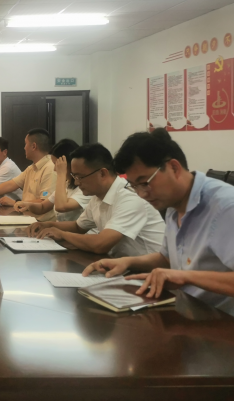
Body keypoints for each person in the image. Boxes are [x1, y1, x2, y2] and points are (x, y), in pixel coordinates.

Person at [82, 129, 234, 312]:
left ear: (174, 168)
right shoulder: (173, 204)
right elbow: (167, 258)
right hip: (187, 309)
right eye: (135, 186)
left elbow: (180, 273)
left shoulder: (225, 208)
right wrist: (127, 262)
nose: (141, 194)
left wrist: (186, 277)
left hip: (222, 320)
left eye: (145, 183)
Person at [28, 143, 165, 257]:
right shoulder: (97, 197)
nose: (77, 182)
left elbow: (100, 244)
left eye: (80, 177)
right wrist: (47, 225)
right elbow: (78, 227)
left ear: (102, 173)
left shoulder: (130, 198)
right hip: (121, 265)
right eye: (74, 176)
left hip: (149, 273)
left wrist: (61, 234)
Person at [0, 128, 57, 220]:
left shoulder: (50, 168)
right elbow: (10, 184)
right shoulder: (32, 168)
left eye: (26, 144)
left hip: (41, 222)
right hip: (27, 218)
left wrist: (15, 203)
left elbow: (44, 202)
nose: (24, 148)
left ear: (33, 146)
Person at [14, 139, 90, 222]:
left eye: (56, 165)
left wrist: (61, 174)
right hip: (59, 228)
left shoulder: (85, 189)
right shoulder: (67, 184)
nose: (55, 169)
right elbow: (43, 207)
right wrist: (28, 205)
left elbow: (61, 207)